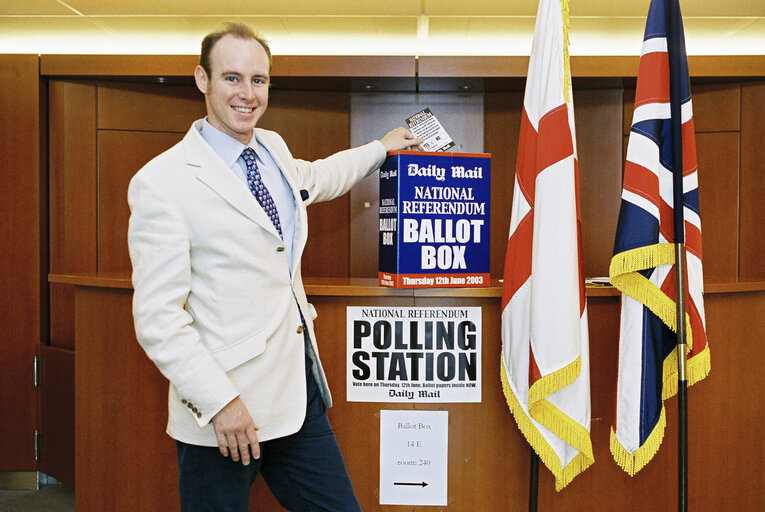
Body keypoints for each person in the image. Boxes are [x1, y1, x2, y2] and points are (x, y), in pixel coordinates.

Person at [127, 22, 422, 512]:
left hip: (295, 397)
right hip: (223, 414)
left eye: (258, 80)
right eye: (232, 78)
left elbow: (319, 176)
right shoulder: (162, 182)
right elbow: (159, 318)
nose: (247, 94)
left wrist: (380, 148)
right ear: (202, 79)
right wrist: (221, 402)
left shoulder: (273, 149)